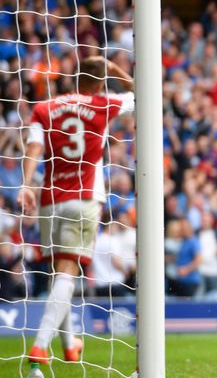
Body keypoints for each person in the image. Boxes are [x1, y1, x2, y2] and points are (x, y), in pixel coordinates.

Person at [18, 56, 134, 365]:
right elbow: (142, 95)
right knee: (68, 272)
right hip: (84, 198)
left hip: (50, 198)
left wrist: (26, 184)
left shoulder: (45, 108)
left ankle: (70, 344)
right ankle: (41, 347)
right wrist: (116, 69)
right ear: (100, 81)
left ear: (74, 77)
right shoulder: (103, 104)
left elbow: (33, 147)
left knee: (59, 273)